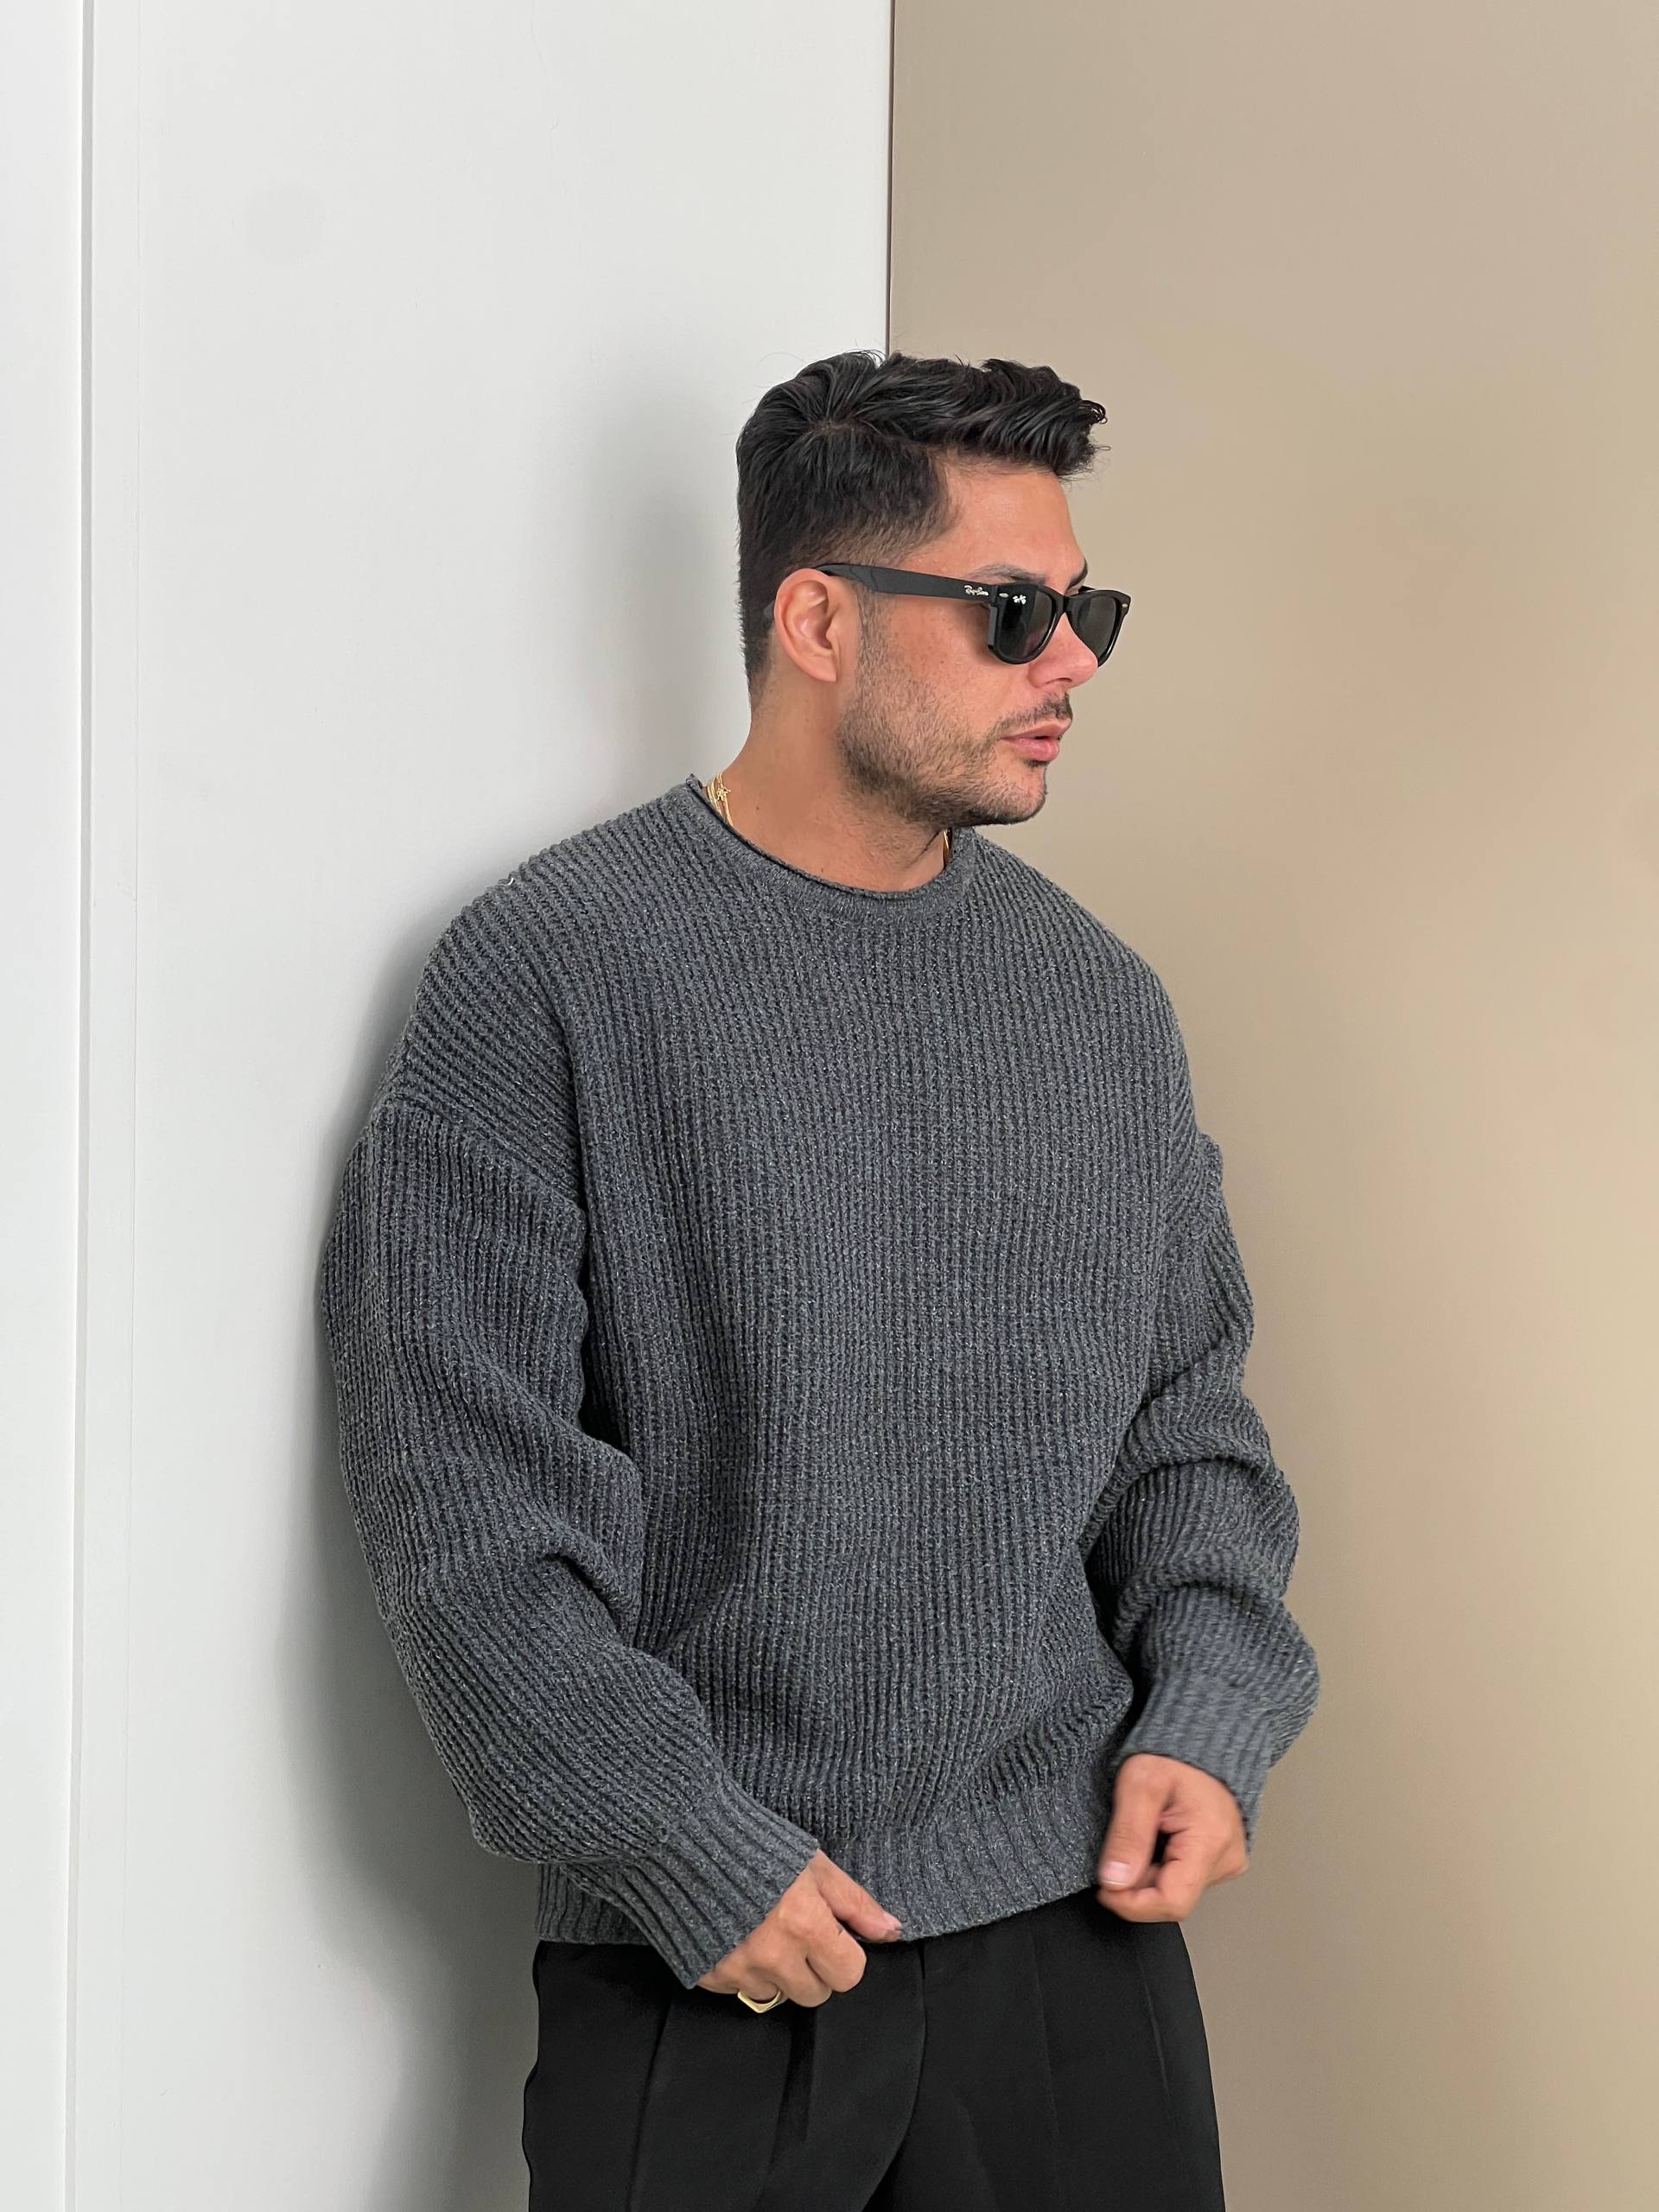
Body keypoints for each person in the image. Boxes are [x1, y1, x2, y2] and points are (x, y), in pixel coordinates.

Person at [319, 348, 1321, 2209]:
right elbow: (463, 1502)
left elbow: (1187, 1425)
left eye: (1085, 610)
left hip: (1074, 1951)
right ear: (818, 620)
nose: (1073, 663)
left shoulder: (1097, 1004)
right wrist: (678, 1844)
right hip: (713, 1955)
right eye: (1012, 612)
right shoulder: (549, 974)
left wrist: (1208, 1709)